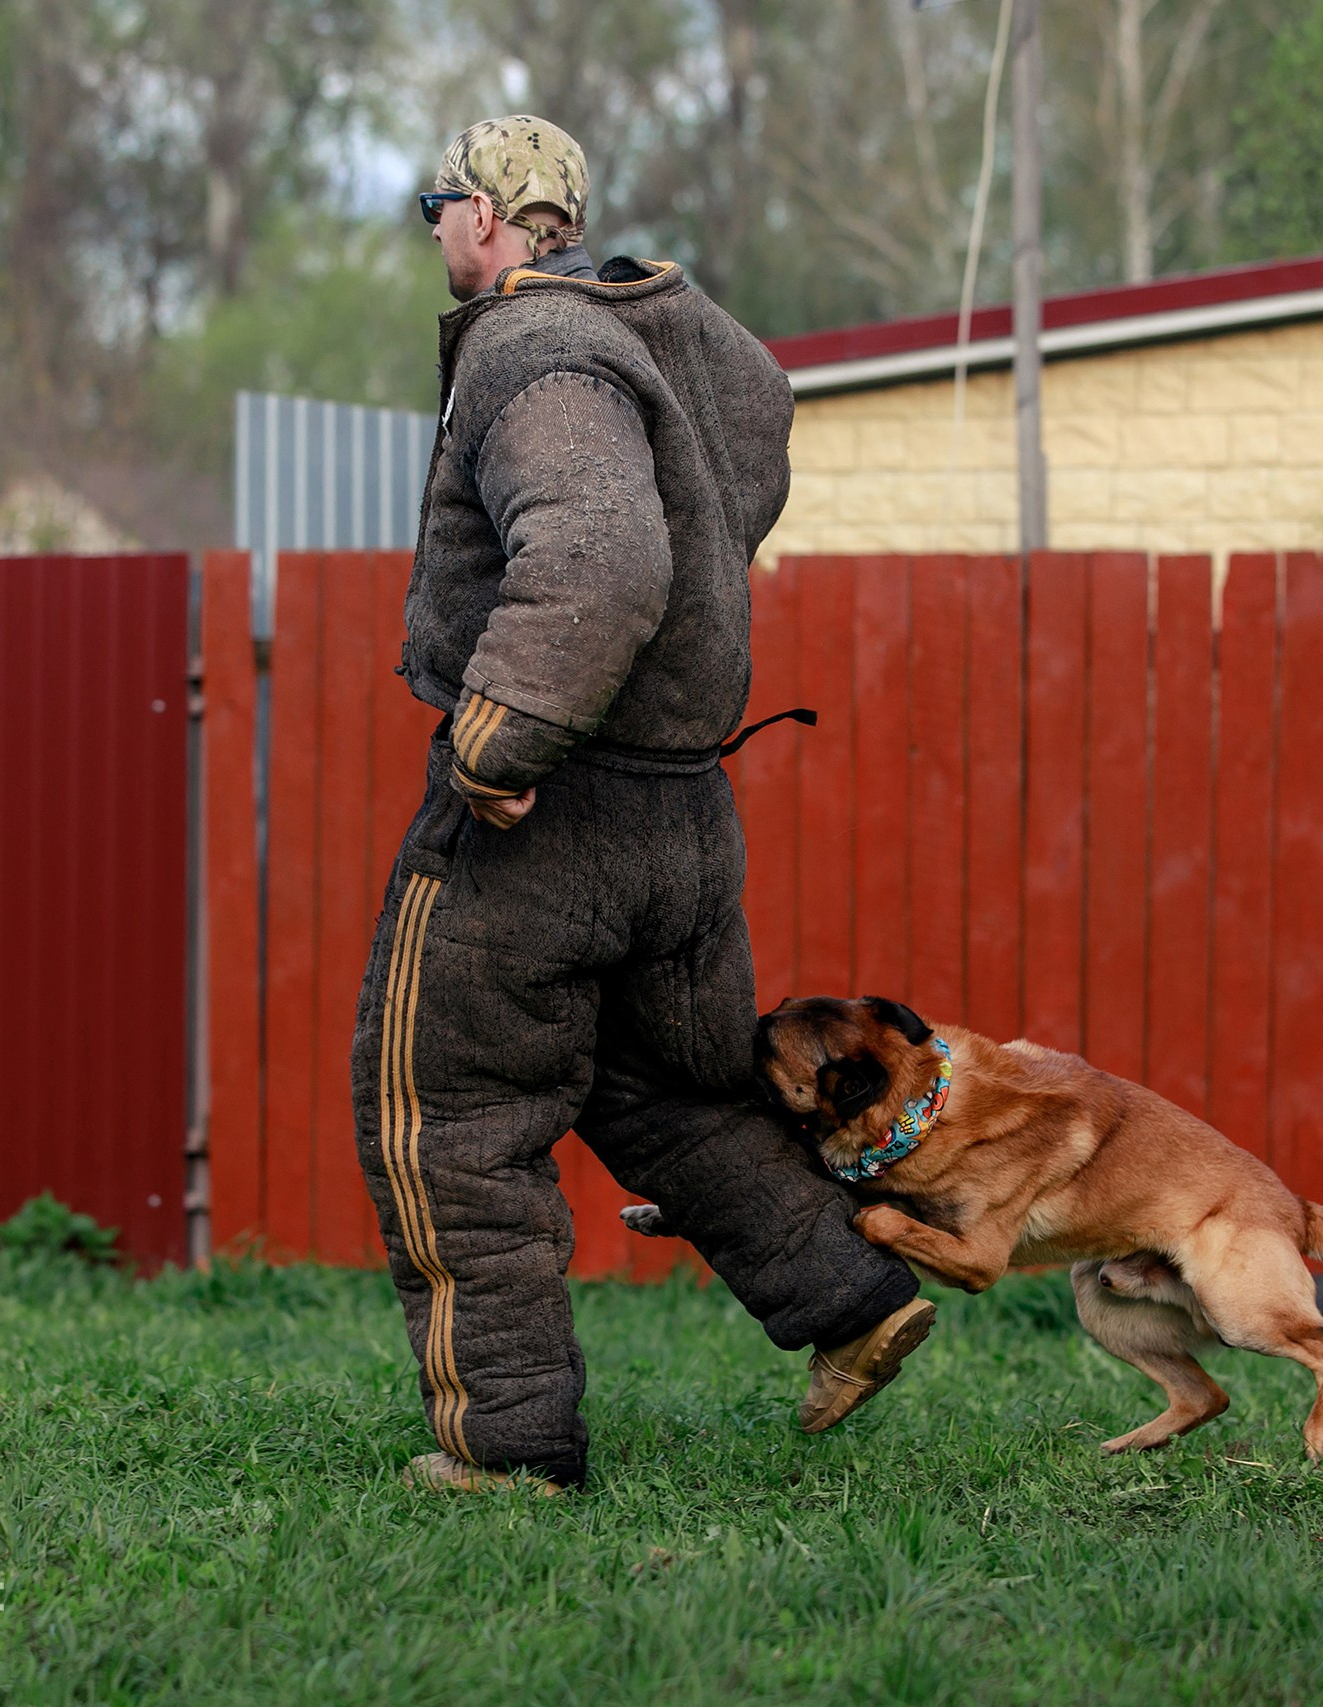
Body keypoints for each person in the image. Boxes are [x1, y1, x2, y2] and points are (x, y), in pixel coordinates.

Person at [351, 115, 936, 1495]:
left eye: (437, 208)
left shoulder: (530, 347)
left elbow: (604, 558)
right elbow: (757, 426)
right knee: (666, 1088)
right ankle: (853, 1299)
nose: (435, 233)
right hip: (682, 814)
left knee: (447, 1114)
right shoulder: (673, 331)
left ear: (483, 215)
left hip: (548, 817)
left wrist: (501, 738)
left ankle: (508, 1448)